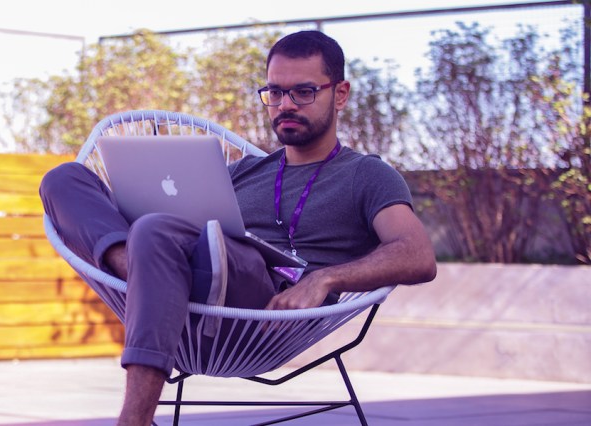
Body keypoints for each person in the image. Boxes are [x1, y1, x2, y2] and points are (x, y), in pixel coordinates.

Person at [39, 30, 437, 426]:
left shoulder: (366, 174)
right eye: (275, 93)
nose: (285, 105)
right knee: (64, 180)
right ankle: (139, 264)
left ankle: (133, 419)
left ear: (341, 94)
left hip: (267, 310)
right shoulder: (247, 171)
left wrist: (325, 280)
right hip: (188, 296)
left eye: (303, 92)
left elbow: (417, 254)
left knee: (167, 235)